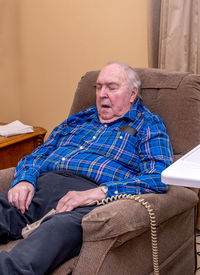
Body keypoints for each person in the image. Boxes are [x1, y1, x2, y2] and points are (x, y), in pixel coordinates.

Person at [0, 62, 173, 274]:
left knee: (47, 239)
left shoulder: (147, 124)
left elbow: (158, 177)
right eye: (99, 87)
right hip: (40, 190)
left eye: (111, 87)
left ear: (132, 94)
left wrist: (97, 193)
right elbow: (39, 154)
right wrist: (25, 179)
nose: (102, 94)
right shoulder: (79, 120)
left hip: (85, 203)